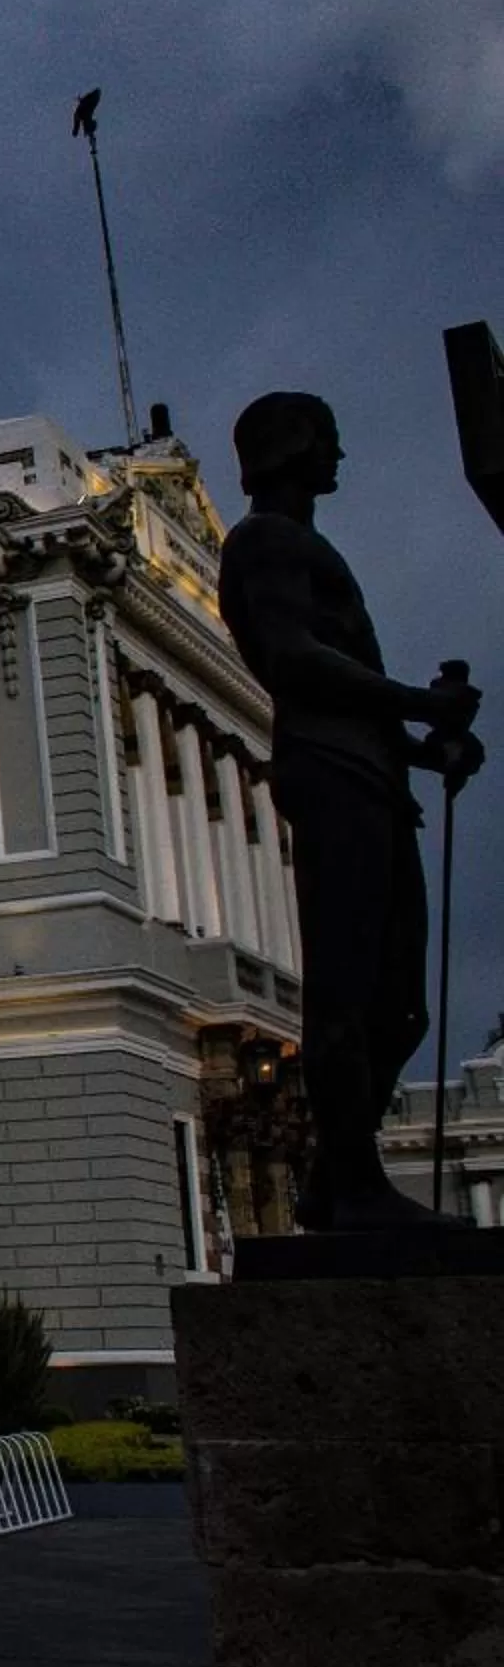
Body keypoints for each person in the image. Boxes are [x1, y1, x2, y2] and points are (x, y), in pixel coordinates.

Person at [218, 390, 483, 1230]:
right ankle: (356, 1185)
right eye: (326, 440)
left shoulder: (306, 544)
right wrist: (417, 703)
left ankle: (338, 1173)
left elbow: (338, 686)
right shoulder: (261, 542)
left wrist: (419, 742)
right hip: (330, 771)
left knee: (401, 1000)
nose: (340, 456)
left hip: (371, 772)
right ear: (290, 448)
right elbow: (293, 660)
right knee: (346, 988)